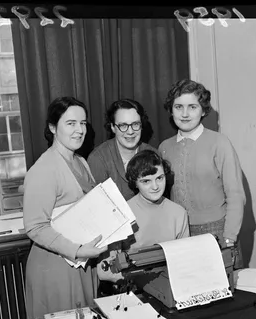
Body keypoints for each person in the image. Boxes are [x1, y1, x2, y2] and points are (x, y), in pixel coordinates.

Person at [23, 97, 108, 319]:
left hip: (82, 262)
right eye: (70, 123)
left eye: (82, 122)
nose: (79, 129)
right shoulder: (44, 169)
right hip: (55, 267)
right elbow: (35, 227)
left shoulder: (80, 161)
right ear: (52, 128)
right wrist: (78, 250)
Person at [158, 79, 246, 268]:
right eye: (178, 106)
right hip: (179, 234)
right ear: (171, 110)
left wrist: (229, 237)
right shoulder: (164, 147)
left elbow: (236, 195)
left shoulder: (219, 143)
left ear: (203, 110)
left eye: (192, 107)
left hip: (217, 231)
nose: (185, 113)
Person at [97, 149, 189, 284]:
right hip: (132, 286)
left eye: (159, 178)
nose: (155, 186)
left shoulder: (179, 213)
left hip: (170, 284)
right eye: (146, 181)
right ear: (135, 182)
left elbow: (185, 260)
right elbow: (104, 272)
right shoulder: (121, 215)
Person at [87, 98, 157, 201]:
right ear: (112, 127)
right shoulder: (98, 158)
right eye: (123, 125)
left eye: (135, 124)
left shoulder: (153, 154)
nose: (130, 131)